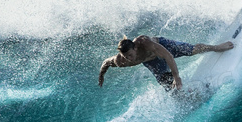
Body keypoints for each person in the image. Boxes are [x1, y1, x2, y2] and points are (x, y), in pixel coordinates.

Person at [98, 35, 234, 91]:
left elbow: (168, 56)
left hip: (164, 47)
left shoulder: (145, 43)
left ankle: (216, 47)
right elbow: (106, 62)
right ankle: (186, 98)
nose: (129, 59)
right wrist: (101, 75)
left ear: (135, 47)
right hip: (152, 63)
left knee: (191, 50)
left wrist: (177, 77)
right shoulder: (121, 60)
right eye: (126, 57)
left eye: (130, 55)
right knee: (168, 86)